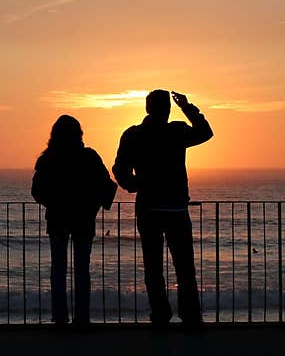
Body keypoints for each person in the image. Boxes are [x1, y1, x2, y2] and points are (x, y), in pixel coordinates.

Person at [112, 90, 213, 327]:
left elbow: (119, 169)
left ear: (147, 109)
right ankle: (190, 315)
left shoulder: (133, 135)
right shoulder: (177, 131)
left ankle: (160, 314)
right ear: (168, 109)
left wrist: (134, 185)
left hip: (149, 208)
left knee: (153, 266)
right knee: (185, 266)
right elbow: (206, 132)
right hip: (177, 209)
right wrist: (187, 107)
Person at [32, 115, 117, 328]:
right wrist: (92, 206)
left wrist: (54, 204)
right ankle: (82, 319)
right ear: (79, 134)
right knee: (82, 270)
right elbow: (107, 186)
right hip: (83, 220)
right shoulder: (89, 157)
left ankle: (60, 318)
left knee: (58, 270)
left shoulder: (48, 159)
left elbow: (37, 191)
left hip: (58, 220)